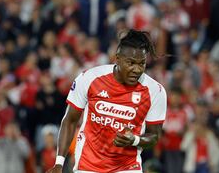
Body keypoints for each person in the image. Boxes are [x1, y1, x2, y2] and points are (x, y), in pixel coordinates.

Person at [47, 29, 167, 173]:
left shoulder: (156, 91)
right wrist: (59, 163)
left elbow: (154, 136)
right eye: (131, 63)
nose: (137, 69)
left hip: (127, 167)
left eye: (142, 64)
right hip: (88, 166)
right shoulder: (89, 78)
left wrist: (134, 140)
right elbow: (70, 121)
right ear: (117, 58)